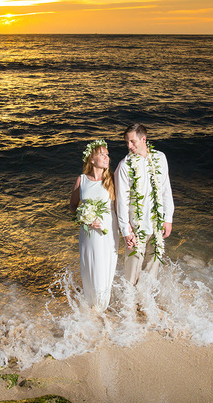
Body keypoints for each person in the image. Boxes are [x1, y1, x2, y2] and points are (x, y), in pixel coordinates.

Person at [115, 123, 174, 285]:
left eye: (132, 141)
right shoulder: (124, 166)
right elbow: (121, 201)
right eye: (127, 142)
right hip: (136, 228)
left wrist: (168, 218)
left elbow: (165, 190)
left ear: (143, 139)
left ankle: (145, 307)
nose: (129, 146)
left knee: (151, 272)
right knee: (131, 274)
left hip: (157, 225)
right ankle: (129, 308)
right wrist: (126, 230)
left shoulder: (160, 158)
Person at [69, 139, 119, 311]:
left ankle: (100, 307)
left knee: (104, 267)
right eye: (102, 154)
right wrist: (84, 218)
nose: (107, 157)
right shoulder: (81, 180)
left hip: (107, 232)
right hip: (88, 233)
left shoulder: (112, 180)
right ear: (91, 159)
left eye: (107, 154)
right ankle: (92, 305)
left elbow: (121, 206)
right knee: (90, 266)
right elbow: (73, 206)